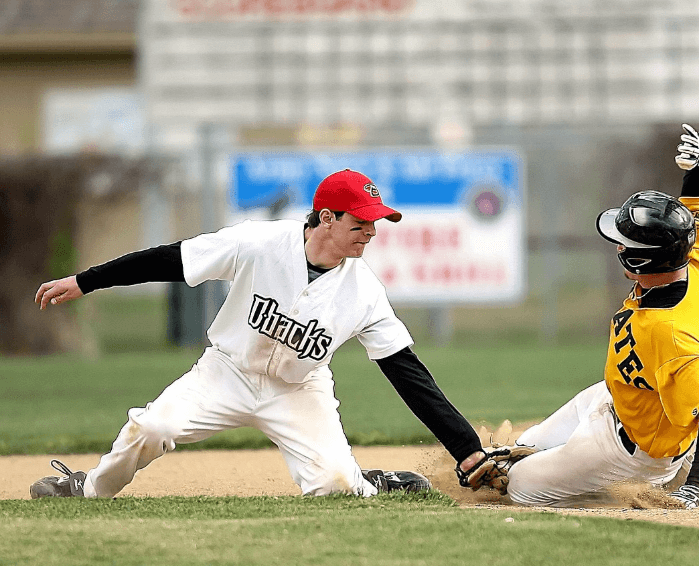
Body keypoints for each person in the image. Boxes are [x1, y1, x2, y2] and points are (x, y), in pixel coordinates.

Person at [31, 168, 487, 499]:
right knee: (153, 427)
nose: (371, 232)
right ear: (326, 218)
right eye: (360, 222)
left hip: (298, 389)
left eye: (374, 222)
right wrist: (86, 281)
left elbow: (408, 374)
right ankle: (87, 488)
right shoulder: (260, 244)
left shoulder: (364, 291)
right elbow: (172, 259)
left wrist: (466, 450)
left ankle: (368, 482)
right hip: (226, 372)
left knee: (336, 487)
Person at [460, 124, 699, 508]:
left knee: (516, 486)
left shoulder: (670, 333)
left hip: (633, 451)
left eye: (624, 242)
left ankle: (659, 480)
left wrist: (696, 491)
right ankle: (655, 465)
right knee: (523, 447)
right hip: (620, 395)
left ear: (638, 260)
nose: (618, 244)